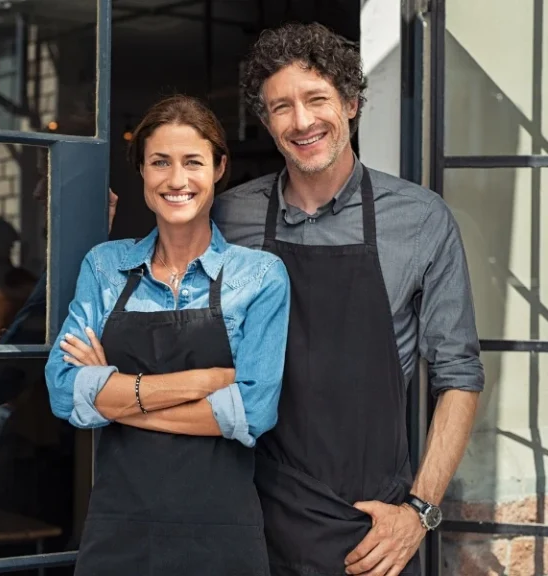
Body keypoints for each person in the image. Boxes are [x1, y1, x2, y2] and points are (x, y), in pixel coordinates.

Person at [211, 22, 484, 576]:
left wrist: (420, 510)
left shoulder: (420, 218)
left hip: (369, 528)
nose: (302, 121)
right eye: (281, 106)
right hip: (246, 511)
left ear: (352, 102)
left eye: (317, 99)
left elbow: (459, 375)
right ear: (265, 122)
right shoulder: (227, 215)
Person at [44, 94, 290, 576]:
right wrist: (206, 383)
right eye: (160, 162)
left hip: (221, 537)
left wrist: (115, 397)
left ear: (219, 168)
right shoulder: (105, 267)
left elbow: (253, 412)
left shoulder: (260, 277)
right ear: (142, 172)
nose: (176, 180)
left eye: (193, 162)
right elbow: (61, 390)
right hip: (120, 531)